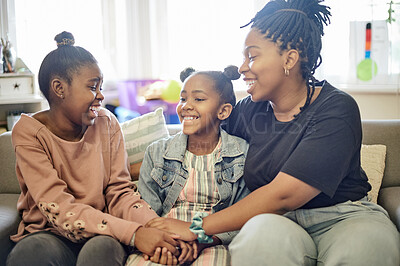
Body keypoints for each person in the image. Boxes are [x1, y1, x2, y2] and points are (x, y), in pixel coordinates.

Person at [145, 0, 400, 265]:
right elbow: (197, 146)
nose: (242, 67)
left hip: (344, 217)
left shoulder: (336, 109)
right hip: (275, 221)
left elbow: (284, 194)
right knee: (259, 241)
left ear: (289, 59)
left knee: (369, 249)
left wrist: (197, 227)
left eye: (252, 56)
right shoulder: (247, 111)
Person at [6, 31, 183, 266]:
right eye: (92, 86)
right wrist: (135, 233)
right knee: (29, 254)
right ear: (59, 88)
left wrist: (154, 228)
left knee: (101, 252)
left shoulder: (107, 123)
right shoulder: (29, 133)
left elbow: (119, 192)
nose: (100, 95)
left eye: (100, 85)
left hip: (104, 232)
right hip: (49, 234)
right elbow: (57, 207)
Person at [126, 66, 249, 265]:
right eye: (183, 99)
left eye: (198, 99)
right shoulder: (157, 152)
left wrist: (201, 240)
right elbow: (148, 210)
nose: (186, 106)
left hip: (212, 241)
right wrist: (164, 243)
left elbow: (243, 214)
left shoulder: (241, 154)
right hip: (164, 239)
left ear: (223, 111)